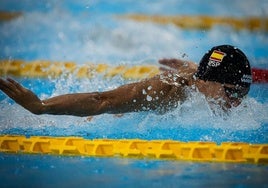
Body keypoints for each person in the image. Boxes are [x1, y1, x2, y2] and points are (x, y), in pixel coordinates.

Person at [0, 45, 252, 117]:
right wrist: (41, 107)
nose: (237, 103)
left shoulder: (203, 80)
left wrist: (193, 67)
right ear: (210, 81)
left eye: (242, 94)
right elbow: (102, 101)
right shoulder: (164, 89)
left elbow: (202, 73)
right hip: (95, 122)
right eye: (232, 94)